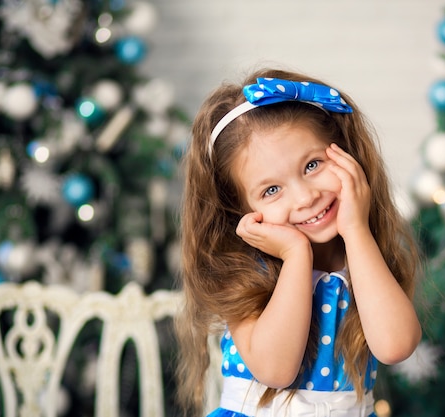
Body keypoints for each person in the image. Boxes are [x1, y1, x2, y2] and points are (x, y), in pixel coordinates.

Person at [176, 67, 423, 417]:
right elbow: (276, 370)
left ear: (346, 154)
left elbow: (396, 346)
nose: (305, 197)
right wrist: (295, 256)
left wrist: (356, 231)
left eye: (312, 165)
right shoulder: (243, 273)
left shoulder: (365, 257)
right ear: (239, 210)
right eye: (271, 190)